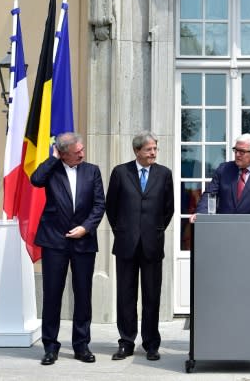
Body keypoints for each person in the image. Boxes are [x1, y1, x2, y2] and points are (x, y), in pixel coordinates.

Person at [31, 132, 105, 366]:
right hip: (54, 241)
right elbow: (35, 179)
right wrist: (53, 158)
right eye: (76, 152)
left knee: (83, 294)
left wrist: (86, 227)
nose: (82, 154)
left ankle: (81, 345)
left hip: (83, 241)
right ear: (62, 154)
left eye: (82, 149)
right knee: (52, 295)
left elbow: (99, 204)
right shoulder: (52, 169)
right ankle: (50, 347)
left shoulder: (92, 170)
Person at [106, 131, 174, 362]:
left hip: (152, 244)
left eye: (155, 149)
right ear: (137, 151)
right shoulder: (120, 172)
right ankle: (126, 342)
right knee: (125, 295)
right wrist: (124, 230)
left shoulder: (164, 174)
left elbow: (169, 208)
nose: (153, 153)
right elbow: (111, 207)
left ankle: (151, 344)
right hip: (126, 244)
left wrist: (153, 230)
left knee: (151, 295)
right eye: (149, 149)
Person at [191, 133, 250, 224]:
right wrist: (201, 214)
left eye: (242, 152)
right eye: (235, 150)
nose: (237, 154)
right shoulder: (224, 169)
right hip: (223, 227)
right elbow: (209, 195)